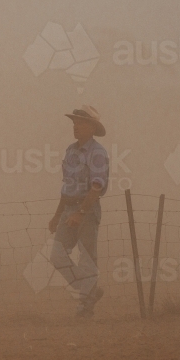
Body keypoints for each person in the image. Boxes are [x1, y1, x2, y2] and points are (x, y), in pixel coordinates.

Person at [47, 106, 109, 318]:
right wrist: (58, 215)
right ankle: (89, 289)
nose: (76, 126)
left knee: (87, 259)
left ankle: (85, 306)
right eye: (74, 123)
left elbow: (97, 186)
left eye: (81, 123)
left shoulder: (98, 152)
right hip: (68, 209)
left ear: (92, 127)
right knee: (57, 255)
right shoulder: (70, 151)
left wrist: (81, 212)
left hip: (87, 210)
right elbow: (67, 185)